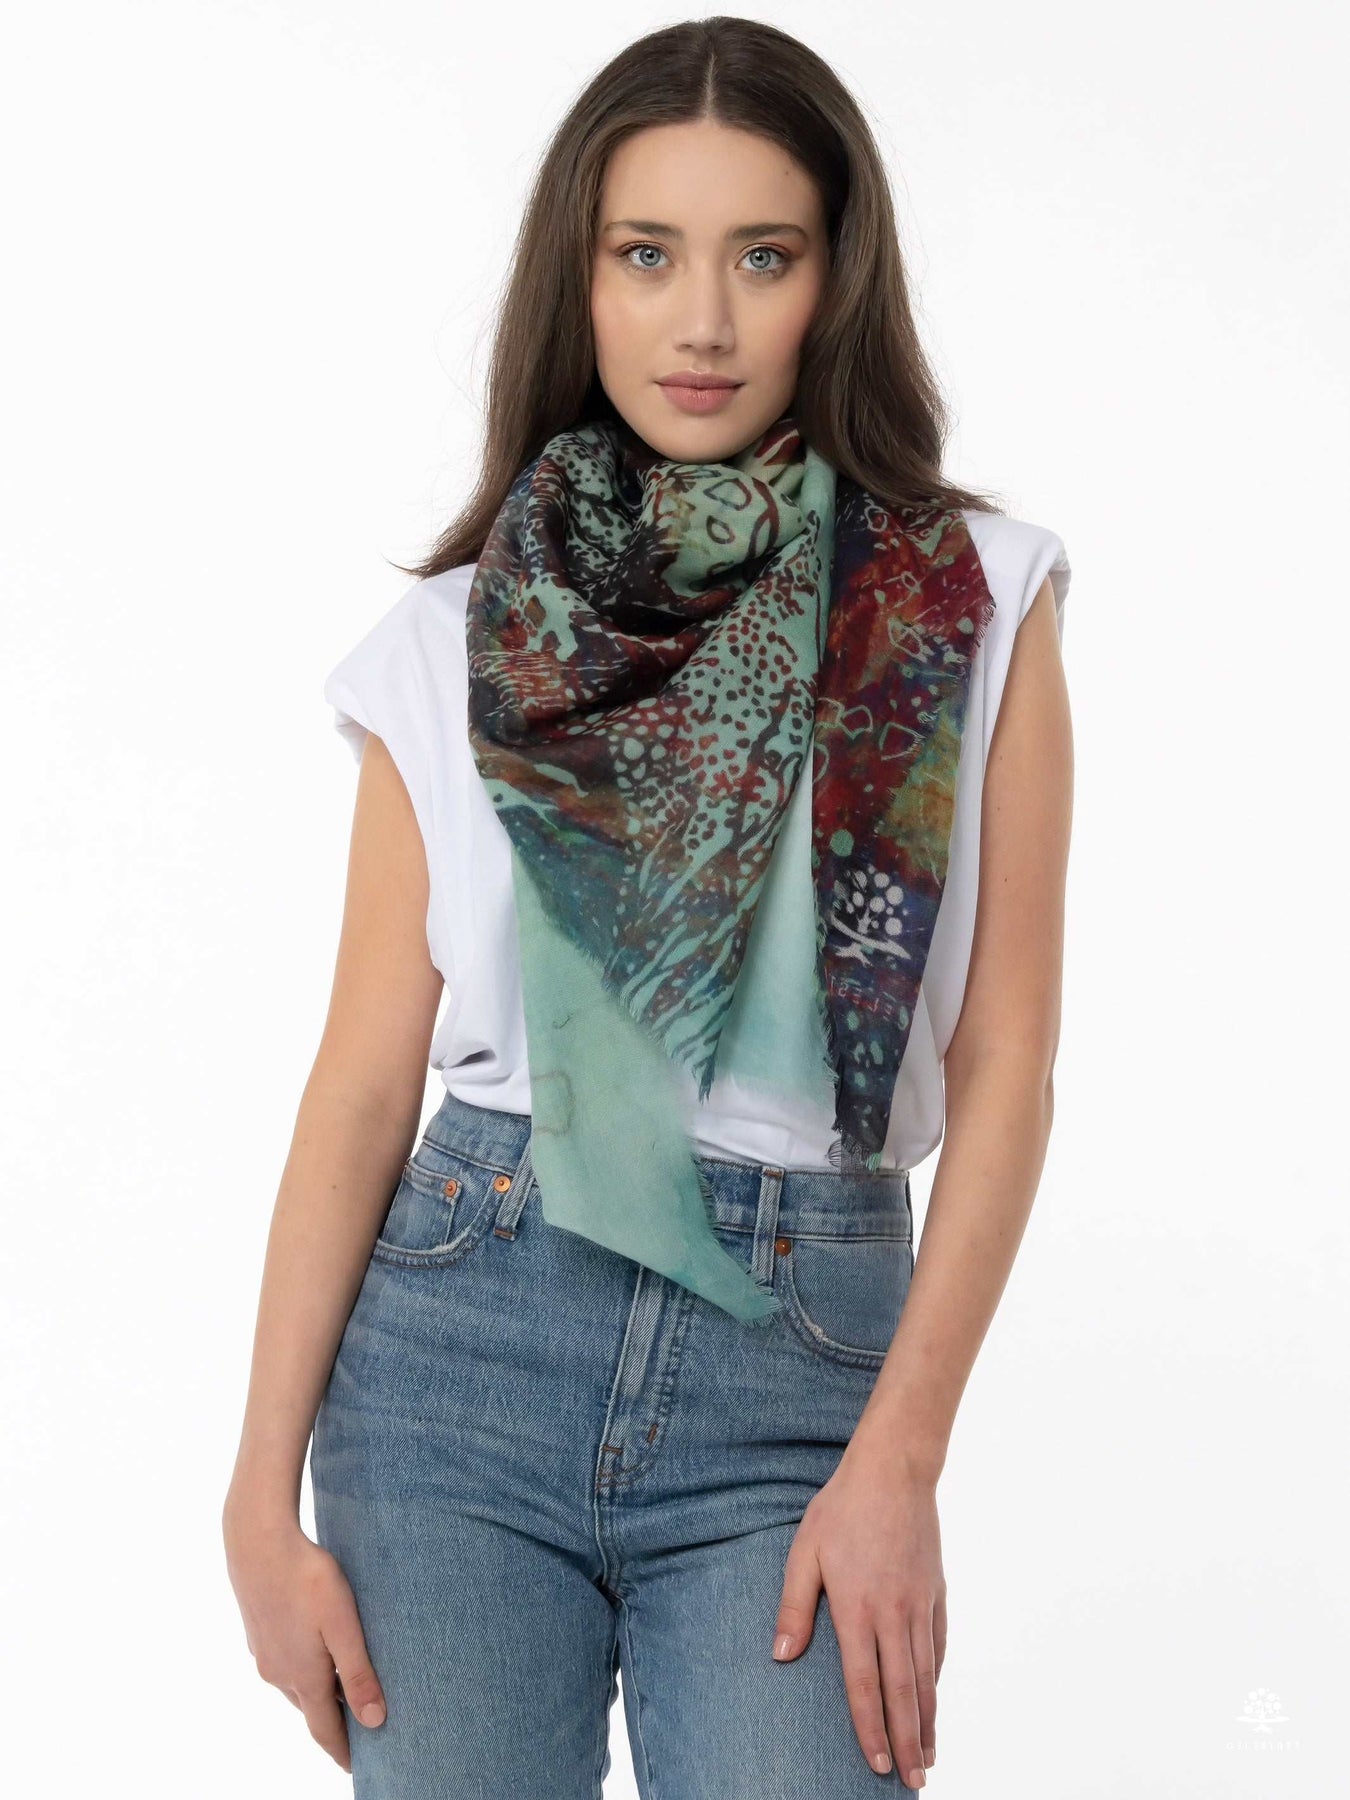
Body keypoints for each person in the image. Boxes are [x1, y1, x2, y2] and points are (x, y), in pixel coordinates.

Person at [222, 16, 1073, 1798]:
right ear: (582, 280)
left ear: (834, 280)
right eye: (645, 255)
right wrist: (253, 1492)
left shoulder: (969, 603)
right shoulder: (448, 640)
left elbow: (1005, 1060)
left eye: (761, 256)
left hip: (800, 1366)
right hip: (456, 1350)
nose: (702, 321)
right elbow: (362, 1086)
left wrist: (902, 1455)